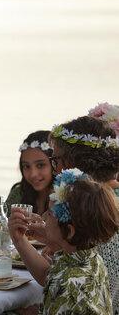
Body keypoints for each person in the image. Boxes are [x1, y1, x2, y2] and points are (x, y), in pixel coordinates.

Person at [10, 116, 119, 314]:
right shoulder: (100, 203)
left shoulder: (98, 212)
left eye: (54, 160)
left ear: (69, 164)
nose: (55, 169)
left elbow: (68, 286)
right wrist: (56, 240)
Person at [5, 131, 54, 218]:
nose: (33, 174)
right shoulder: (18, 194)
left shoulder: (66, 198)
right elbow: (0, 227)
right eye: (26, 166)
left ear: (55, 163)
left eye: (40, 165)